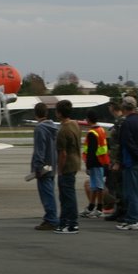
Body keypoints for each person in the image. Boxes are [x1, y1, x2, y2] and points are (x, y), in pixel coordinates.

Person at [117, 98, 138, 230]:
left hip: (131, 161)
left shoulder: (127, 123)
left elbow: (128, 143)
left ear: (124, 108)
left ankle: (132, 219)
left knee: (131, 191)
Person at [54, 99, 82, 234]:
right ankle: (64, 222)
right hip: (76, 162)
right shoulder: (75, 124)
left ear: (59, 113)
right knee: (68, 194)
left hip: (67, 166)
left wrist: (59, 169)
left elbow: (62, 153)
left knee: (67, 196)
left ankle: (72, 223)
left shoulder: (63, 131)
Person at [30, 102, 59, 230]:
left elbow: (39, 150)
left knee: (46, 194)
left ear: (35, 114)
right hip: (52, 164)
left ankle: (51, 219)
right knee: (50, 192)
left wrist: (37, 167)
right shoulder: (53, 127)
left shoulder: (40, 129)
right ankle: (49, 217)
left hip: (44, 167)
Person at [81, 108, 110, 218]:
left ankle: (99, 208)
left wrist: (88, 165)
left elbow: (92, 151)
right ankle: (91, 206)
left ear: (88, 120)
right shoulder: (101, 130)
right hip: (101, 161)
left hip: (96, 163)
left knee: (98, 186)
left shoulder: (92, 133)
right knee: (94, 186)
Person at [103, 101, 126, 222]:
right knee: (116, 187)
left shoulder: (120, 122)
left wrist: (116, 161)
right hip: (116, 159)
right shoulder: (120, 121)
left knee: (119, 186)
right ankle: (119, 210)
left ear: (112, 108)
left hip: (118, 160)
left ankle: (122, 211)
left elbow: (118, 144)